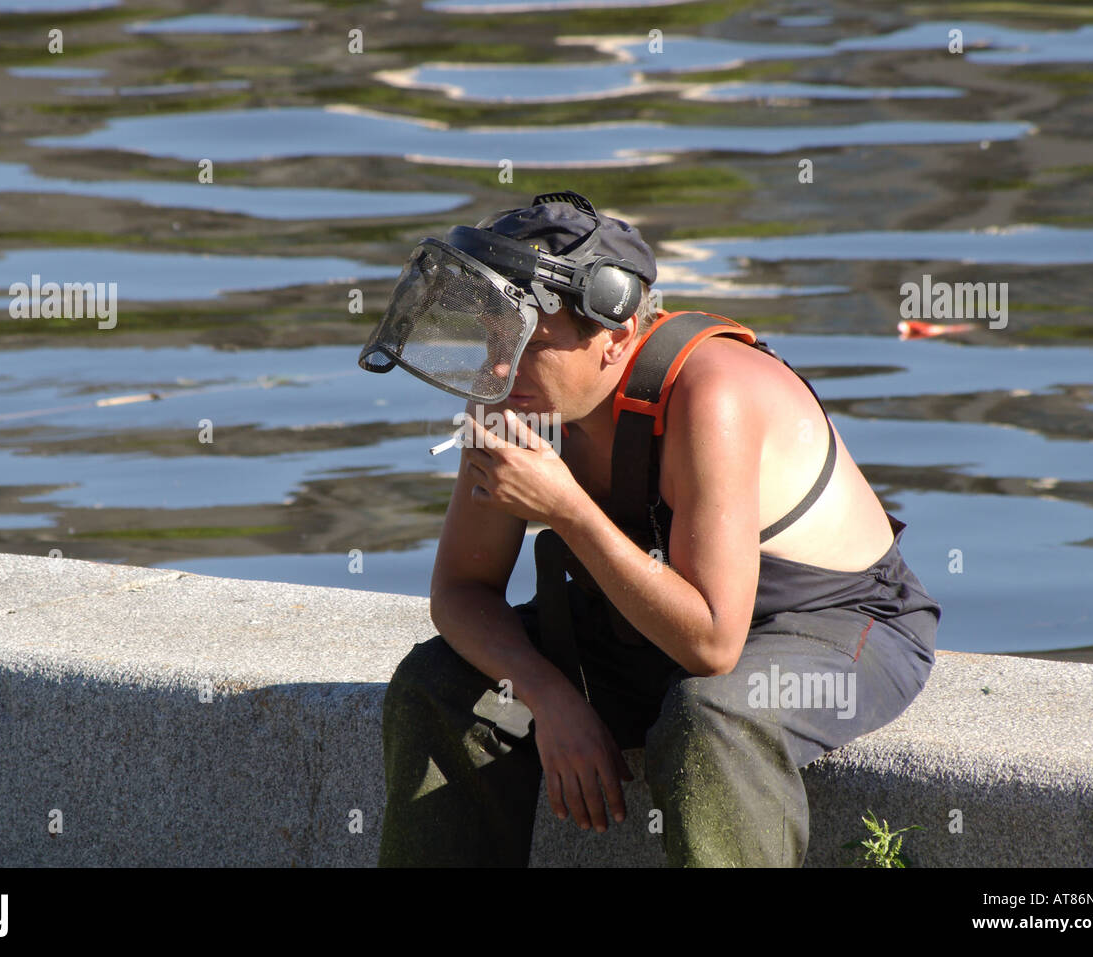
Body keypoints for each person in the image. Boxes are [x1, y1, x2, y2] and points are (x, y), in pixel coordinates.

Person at [359, 190, 941, 867]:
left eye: (530, 346)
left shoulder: (710, 395)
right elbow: (461, 591)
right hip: (647, 628)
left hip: (834, 626)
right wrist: (546, 696)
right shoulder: (514, 396)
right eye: (493, 337)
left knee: (714, 717)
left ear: (617, 337)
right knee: (444, 686)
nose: (499, 368)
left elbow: (712, 646)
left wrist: (567, 508)